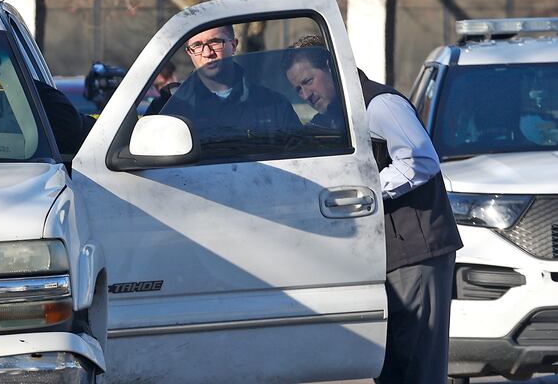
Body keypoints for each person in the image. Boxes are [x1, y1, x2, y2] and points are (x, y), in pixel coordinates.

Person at [282, 35, 463, 384]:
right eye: (298, 90)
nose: (305, 94)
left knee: (418, 368)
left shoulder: (379, 105)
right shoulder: (338, 117)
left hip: (416, 253)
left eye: (308, 81)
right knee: (391, 367)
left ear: (334, 69)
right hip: (384, 256)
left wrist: (364, 194)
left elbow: (420, 160)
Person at [159, 25, 301, 153]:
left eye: (215, 42)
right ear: (189, 52)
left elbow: (300, 160)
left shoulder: (273, 105)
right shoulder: (169, 106)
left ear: (233, 46)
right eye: (197, 45)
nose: (207, 53)